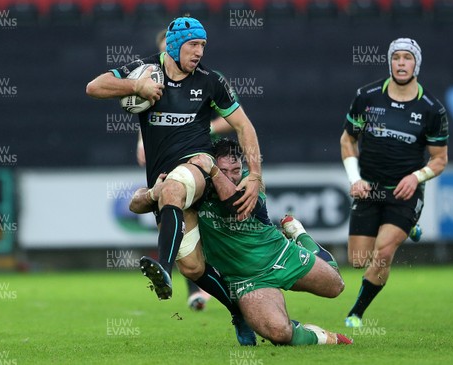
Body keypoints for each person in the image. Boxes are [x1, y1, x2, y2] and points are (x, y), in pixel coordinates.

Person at [86, 17, 261, 345]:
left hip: (199, 166)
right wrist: (135, 87)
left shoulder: (211, 80)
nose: (199, 52)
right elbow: (94, 87)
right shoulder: (145, 70)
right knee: (194, 268)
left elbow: (244, 126)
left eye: (203, 46)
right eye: (194, 45)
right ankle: (239, 312)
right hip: (163, 179)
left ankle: (162, 268)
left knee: (173, 188)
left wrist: (256, 176)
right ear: (174, 44)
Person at [131, 138, 352, 345]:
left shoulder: (250, 183)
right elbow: (135, 205)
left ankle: (300, 236)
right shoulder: (200, 187)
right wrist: (155, 193)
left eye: (235, 170)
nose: (231, 176)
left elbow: (236, 206)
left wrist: (215, 172)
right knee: (279, 333)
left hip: (280, 255)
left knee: (336, 286)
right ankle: (322, 337)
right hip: (247, 280)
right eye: (224, 170)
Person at [339, 38, 448, 327]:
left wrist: (416, 177)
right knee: (358, 259)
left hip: (405, 192)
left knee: (384, 251)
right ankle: (410, 227)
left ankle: (356, 313)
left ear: (417, 64)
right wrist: (355, 179)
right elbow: (348, 139)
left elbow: (439, 159)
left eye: (407, 58)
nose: (401, 63)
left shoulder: (431, 109)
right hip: (369, 189)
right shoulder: (367, 97)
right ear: (390, 62)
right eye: (396, 57)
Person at [134, 28, 232, 312]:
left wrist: (199, 127)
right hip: (166, 164)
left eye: (198, 46)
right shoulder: (152, 80)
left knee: (215, 224)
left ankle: (253, 277)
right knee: (189, 259)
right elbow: (148, 115)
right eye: (164, 49)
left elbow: (235, 120)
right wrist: (142, 140)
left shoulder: (208, 80)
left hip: (203, 161)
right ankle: (234, 307)